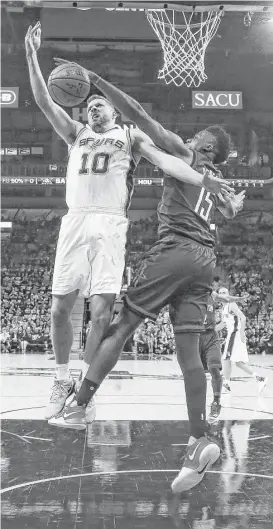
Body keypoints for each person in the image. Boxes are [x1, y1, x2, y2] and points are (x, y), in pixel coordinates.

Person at [50, 58, 246, 492]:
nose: (190, 137)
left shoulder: (189, 155)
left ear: (207, 148)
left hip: (175, 251)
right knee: (188, 354)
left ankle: (77, 406)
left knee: (122, 324)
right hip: (204, 263)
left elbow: (139, 115)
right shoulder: (216, 182)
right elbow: (231, 208)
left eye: (199, 137)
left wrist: (99, 80)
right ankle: (199, 440)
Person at [25, 23, 231, 426]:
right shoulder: (75, 133)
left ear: (114, 112)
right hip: (77, 220)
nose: (93, 108)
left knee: (104, 314)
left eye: (101, 104)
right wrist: (31, 56)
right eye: (89, 105)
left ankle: (85, 388)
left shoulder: (131, 136)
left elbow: (169, 159)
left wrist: (202, 179)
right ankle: (61, 380)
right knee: (58, 309)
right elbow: (45, 102)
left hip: (112, 224)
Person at [200, 282, 246, 424]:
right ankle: (198, 407)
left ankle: (216, 401)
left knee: (217, 367)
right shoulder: (189, 297)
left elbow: (227, 301)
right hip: (196, 337)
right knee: (197, 373)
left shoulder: (213, 296)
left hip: (219, 337)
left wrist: (238, 299)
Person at [219, 287, 268, 393]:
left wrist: (241, 333)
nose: (222, 294)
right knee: (238, 363)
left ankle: (226, 383)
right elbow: (223, 324)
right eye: (220, 293)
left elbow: (243, 317)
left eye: (224, 292)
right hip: (231, 335)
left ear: (228, 294)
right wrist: (209, 330)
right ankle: (260, 379)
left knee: (226, 359)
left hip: (235, 334)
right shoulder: (223, 308)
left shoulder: (231, 304)